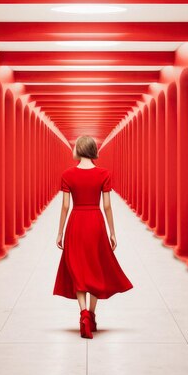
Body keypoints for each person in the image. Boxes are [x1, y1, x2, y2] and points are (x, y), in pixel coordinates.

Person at [53, 135, 134, 338]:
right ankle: (92, 315)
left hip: (77, 222)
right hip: (95, 222)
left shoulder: (68, 175)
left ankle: (83, 315)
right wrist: (112, 231)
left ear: (79, 150)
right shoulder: (103, 174)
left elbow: (65, 206)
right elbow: (106, 205)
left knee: (78, 270)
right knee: (95, 268)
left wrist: (60, 231)